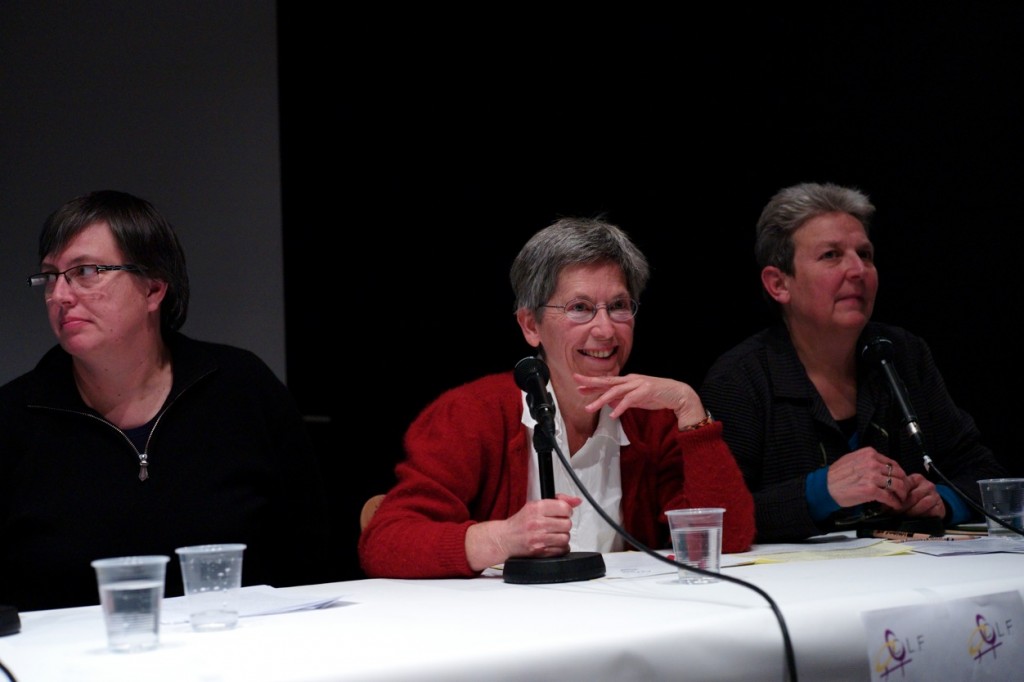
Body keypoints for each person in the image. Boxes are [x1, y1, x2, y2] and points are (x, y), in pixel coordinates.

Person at [359, 216, 755, 578]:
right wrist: (501, 538)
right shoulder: (471, 415)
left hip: (629, 616)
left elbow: (729, 541)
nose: (605, 330)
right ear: (531, 326)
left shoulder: (653, 418)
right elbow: (385, 542)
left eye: (618, 306)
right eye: (580, 308)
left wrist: (688, 407)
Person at [0, 190, 334, 611]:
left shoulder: (240, 388)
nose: (60, 295)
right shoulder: (13, 418)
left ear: (153, 289)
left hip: (240, 643)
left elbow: (312, 554)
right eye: (51, 276)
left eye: (85, 271)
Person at [699, 182, 1006, 543]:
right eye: (831, 255)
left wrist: (944, 500)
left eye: (865, 254)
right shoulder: (740, 379)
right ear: (779, 284)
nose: (859, 270)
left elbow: (984, 472)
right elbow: (716, 516)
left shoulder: (902, 354)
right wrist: (819, 492)